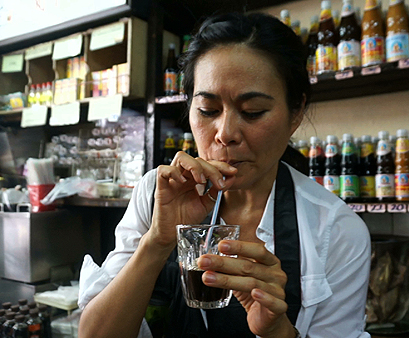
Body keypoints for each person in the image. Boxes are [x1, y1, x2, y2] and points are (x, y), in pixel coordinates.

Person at [78, 12, 371, 338]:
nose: (226, 133)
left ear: (296, 112)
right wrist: (157, 242)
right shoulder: (156, 193)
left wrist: (278, 331)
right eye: (208, 110)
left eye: (253, 112)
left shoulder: (336, 231)